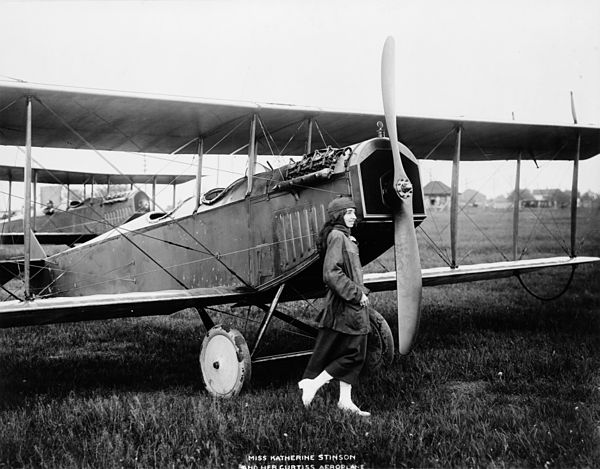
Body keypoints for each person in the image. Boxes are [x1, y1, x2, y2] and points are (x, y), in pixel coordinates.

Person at [298, 196, 371, 417]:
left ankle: (345, 400)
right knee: (355, 353)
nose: (353, 216)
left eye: (354, 212)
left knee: (346, 350)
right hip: (348, 302)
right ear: (338, 215)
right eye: (348, 212)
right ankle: (313, 384)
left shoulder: (345, 237)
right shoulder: (338, 237)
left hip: (346, 302)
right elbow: (331, 273)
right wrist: (357, 294)